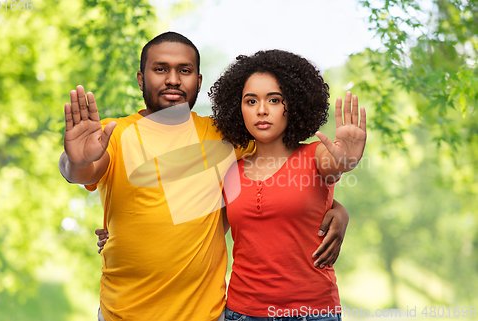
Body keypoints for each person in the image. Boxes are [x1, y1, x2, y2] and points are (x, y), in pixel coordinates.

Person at [60, 32, 349, 321]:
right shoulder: (115, 134)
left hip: (206, 314)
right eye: (160, 69)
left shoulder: (226, 136)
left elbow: (284, 166)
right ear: (140, 78)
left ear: (198, 82)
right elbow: (82, 170)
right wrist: (75, 160)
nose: (173, 79)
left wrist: (335, 208)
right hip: (122, 313)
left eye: (184, 71)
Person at [209, 50, 367, 320]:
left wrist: (347, 161)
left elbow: (334, 165)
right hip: (242, 312)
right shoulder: (230, 172)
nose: (262, 110)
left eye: (274, 99)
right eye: (251, 101)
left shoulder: (315, 156)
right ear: (239, 109)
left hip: (313, 312)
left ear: (293, 104)